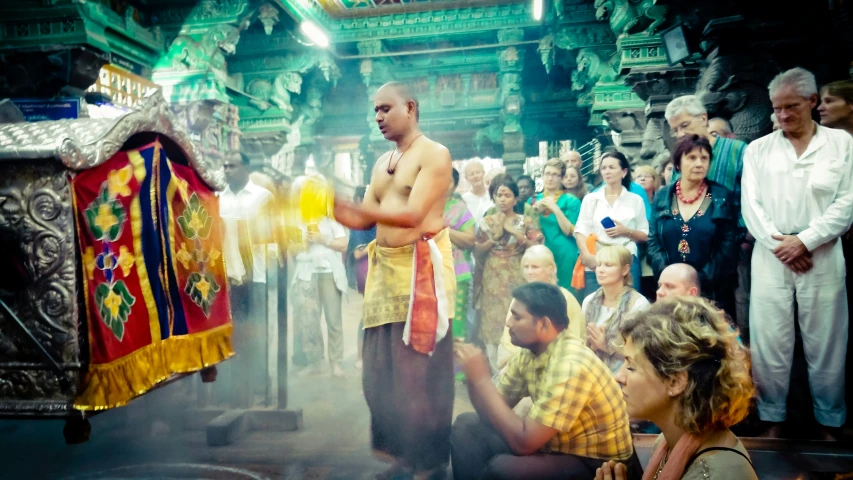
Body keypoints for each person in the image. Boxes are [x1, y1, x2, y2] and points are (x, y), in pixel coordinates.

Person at [332, 81, 456, 478]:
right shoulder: (381, 161)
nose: (378, 117)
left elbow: (413, 215)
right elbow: (361, 218)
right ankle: (400, 456)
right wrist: (325, 202)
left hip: (420, 270)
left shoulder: (435, 154)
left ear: (411, 107)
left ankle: (428, 464)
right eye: (375, 111)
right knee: (379, 374)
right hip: (385, 272)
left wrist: (352, 205)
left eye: (385, 108)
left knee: (417, 374)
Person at [741, 67, 853, 439]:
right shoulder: (758, 150)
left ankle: (830, 421)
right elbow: (751, 207)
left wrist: (805, 240)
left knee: (827, 339)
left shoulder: (841, 144)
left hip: (821, 252)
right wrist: (782, 244)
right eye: (777, 108)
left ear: (812, 101)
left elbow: (847, 203)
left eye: (792, 106)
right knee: (769, 338)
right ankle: (773, 417)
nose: (784, 115)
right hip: (772, 253)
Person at [452, 283, 643, 480]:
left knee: (503, 469)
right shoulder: (530, 352)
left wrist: (482, 380)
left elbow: (524, 443)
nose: (508, 323)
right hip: (558, 448)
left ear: (543, 325)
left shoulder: (570, 364)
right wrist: (473, 376)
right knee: (466, 426)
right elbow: (491, 414)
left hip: (599, 464)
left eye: (517, 317)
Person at [595, 297, 757, 480]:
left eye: (631, 367)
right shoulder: (667, 441)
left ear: (675, 382)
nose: (619, 376)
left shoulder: (715, 474)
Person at [665, 95, 751, 340]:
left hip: (733, 247)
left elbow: (749, 195)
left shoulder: (737, 150)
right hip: (691, 251)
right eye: (675, 129)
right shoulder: (679, 156)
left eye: (684, 125)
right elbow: (674, 199)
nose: (680, 133)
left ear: (703, 119)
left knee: (731, 315)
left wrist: (742, 237)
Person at [647, 135, 741, 317]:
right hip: (669, 291)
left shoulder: (722, 196)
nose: (699, 163)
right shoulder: (663, 196)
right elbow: (653, 241)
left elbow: (728, 246)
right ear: (678, 164)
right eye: (691, 158)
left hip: (712, 291)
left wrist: (697, 281)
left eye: (704, 158)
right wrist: (670, 278)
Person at [219, 151, 274, 406]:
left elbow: (273, 237)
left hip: (257, 274)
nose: (227, 170)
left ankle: (261, 384)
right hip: (228, 277)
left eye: (232, 165)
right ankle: (237, 386)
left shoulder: (263, 198)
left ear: (245, 168)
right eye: (225, 166)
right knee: (234, 330)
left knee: (257, 330)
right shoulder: (218, 198)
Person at [474, 176, 543, 370]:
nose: (502, 199)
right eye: (498, 195)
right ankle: (497, 373)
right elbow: (477, 251)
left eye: (507, 195)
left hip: (517, 277)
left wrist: (511, 230)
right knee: (492, 324)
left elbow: (537, 246)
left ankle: (518, 369)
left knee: (518, 318)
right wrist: (494, 237)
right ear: (493, 198)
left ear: (515, 199)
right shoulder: (487, 221)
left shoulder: (525, 221)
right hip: (492, 279)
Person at [290, 178, 349, 378]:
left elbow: (343, 245)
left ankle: (336, 363)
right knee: (308, 320)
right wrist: (303, 243)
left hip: (328, 272)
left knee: (333, 318)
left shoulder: (330, 217)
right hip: (305, 272)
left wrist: (322, 239)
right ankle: (314, 361)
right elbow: (290, 249)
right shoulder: (296, 219)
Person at [497, 245, 586, 369]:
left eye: (535, 267)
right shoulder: (519, 299)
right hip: (519, 363)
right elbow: (508, 338)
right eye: (526, 267)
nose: (529, 272)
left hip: (559, 364)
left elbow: (575, 336)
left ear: (551, 269)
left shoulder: (565, 298)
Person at [575, 151, 649, 296]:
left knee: (629, 305)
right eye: (604, 168)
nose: (607, 171)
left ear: (624, 172)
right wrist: (586, 255)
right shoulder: (591, 199)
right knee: (595, 305)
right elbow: (580, 230)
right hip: (597, 260)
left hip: (626, 257)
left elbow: (645, 234)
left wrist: (626, 231)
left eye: (612, 167)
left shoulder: (635, 200)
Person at [582, 245, 650, 374]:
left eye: (608, 265)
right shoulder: (589, 301)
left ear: (625, 270)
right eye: (599, 264)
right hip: (591, 373)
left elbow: (641, 351)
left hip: (625, 376)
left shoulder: (638, 304)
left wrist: (607, 346)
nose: (600, 270)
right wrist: (591, 344)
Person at [530, 158, 582, 294]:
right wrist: (534, 213)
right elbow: (527, 230)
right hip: (541, 254)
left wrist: (555, 208)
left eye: (555, 174)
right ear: (542, 176)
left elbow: (569, 231)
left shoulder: (571, 201)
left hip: (565, 255)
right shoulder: (533, 200)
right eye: (547, 173)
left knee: (566, 295)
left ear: (562, 178)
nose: (550, 178)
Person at [345, 186, 376, 370]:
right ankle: (360, 356)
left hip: (384, 270)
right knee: (369, 314)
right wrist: (380, 242)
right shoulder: (359, 222)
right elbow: (358, 254)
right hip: (368, 271)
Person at [444, 168, 476, 343]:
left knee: (456, 330)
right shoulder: (423, 205)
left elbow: (470, 239)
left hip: (457, 274)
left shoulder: (459, 208)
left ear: (455, 186)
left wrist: (445, 230)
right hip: (426, 275)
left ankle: (458, 370)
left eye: (448, 181)